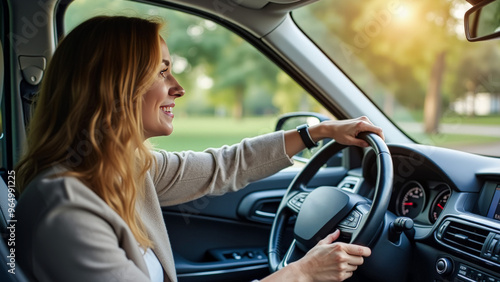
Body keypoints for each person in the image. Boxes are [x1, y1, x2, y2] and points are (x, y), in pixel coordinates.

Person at [14, 15, 383, 282]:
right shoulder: (65, 206)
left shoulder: (123, 169)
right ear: (115, 86)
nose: (178, 88)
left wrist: (317, 132)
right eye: (161, 72)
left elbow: (223, 166)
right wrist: (302, 273)